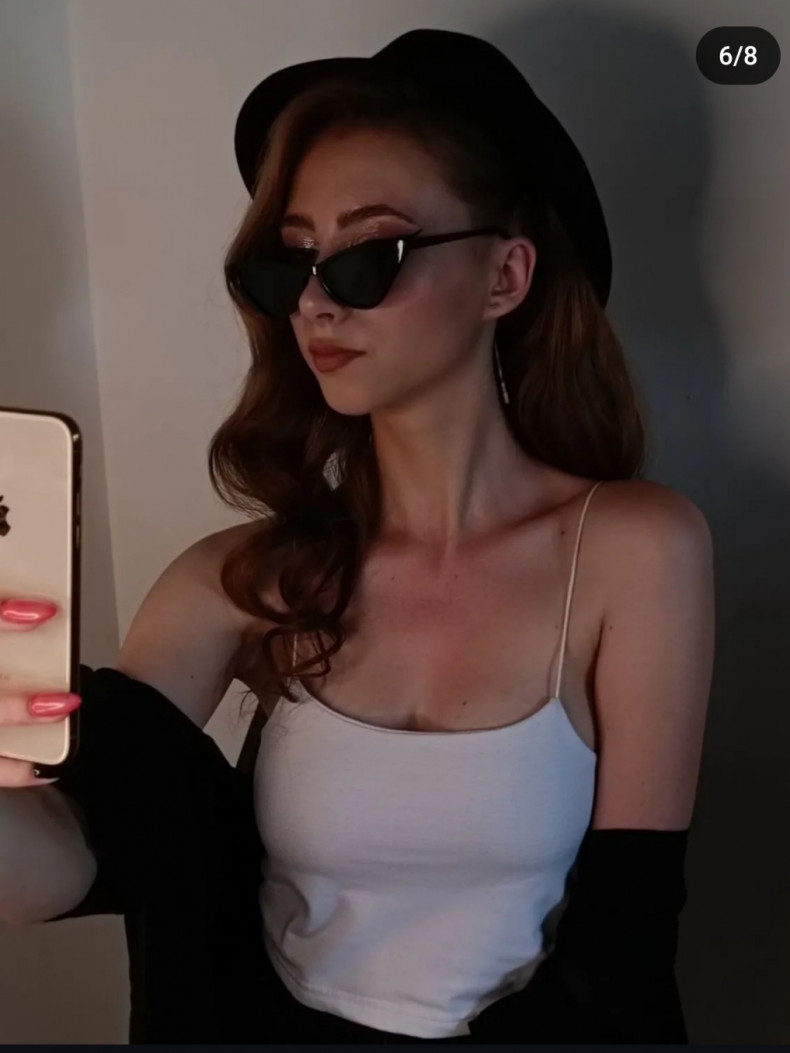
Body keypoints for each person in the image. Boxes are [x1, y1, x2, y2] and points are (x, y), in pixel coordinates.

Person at [0, 28, 715, 1044]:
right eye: (290, 263)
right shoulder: (236, 582)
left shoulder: (637, 551)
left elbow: (630, 935)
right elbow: (72, 859)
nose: (315, 302)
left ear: (506, 276)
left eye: (369, 256)